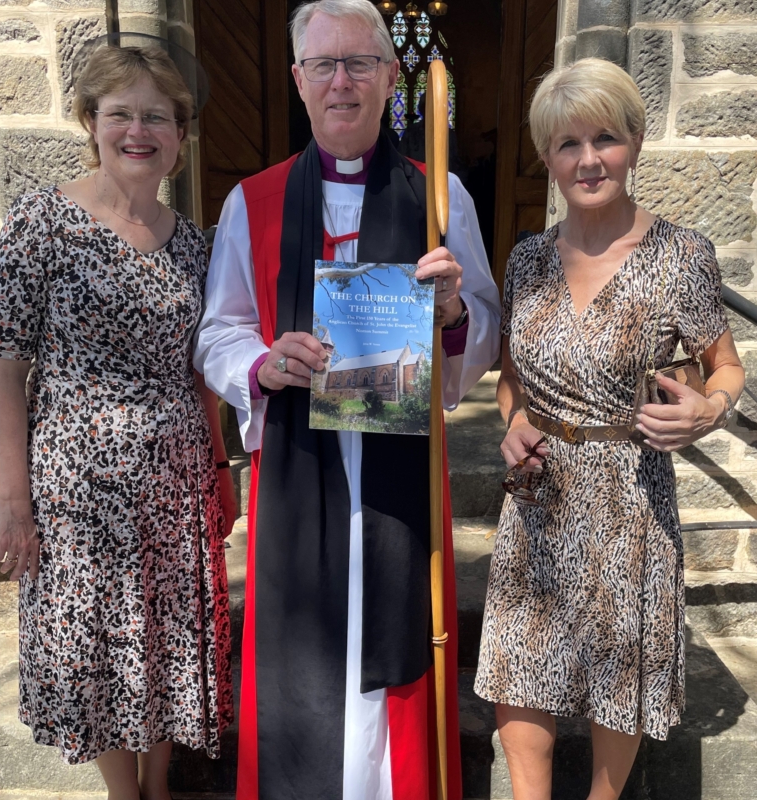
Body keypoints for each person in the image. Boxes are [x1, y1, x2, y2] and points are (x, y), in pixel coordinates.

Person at [193, 1, 501, 797]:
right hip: (301, 469)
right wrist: (264, 363)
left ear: (390, 75)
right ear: (297, 80)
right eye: (323, 65)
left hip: (402, 473)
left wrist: (456, 314)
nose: (342, 82)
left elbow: (487, 325)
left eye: (360, 63)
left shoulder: (443, 198)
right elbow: (218, 332)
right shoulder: (250, 203)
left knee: (394, 666)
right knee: (305, 662)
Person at [474, 57, 745, 800]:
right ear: (547, 156)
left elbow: (724, 366)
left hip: (629, 498)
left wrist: (708, 409)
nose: (588, 159)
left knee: (615, 676)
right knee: (520, 675)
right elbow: (512, 380)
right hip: (535, 502)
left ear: (635, 140)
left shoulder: (680, 255)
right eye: (568, 144)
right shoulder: (527, 258)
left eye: (605, 138)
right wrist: (514, 422)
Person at [0, 40, 235, 800]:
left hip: (176, 481)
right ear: (91, 122)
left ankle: (158, 783)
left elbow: (203, 376)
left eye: (156, 117)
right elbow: (3, 371)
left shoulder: (195, 245)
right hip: (75, 489)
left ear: (180, 139)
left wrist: (220, 474)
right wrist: (14, 503)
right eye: (120, 113)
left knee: (162, 642)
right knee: (98, 648)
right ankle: (124, 793)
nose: (138, 130)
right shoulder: (43, 224)